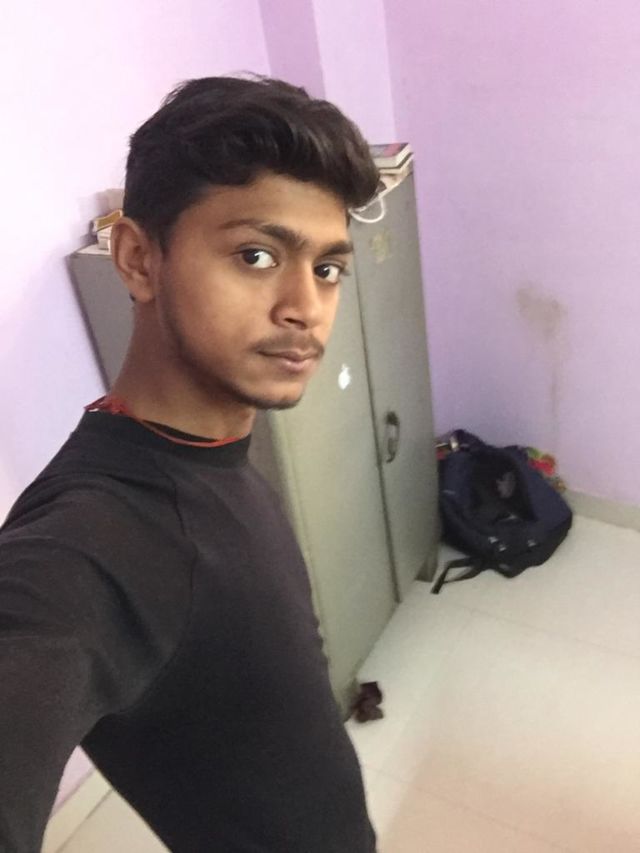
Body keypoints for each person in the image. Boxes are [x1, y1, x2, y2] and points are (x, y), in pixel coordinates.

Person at [0, 75, 380, 852]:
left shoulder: (210, 452)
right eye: (256, 254)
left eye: (328, 269)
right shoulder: (87, 546)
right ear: (139, 259)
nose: (305, 307)